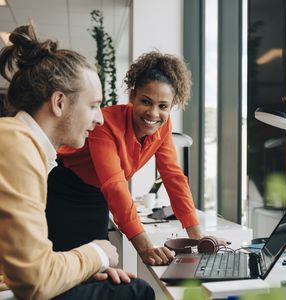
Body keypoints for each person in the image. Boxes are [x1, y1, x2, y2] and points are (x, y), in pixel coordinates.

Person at [0, 24, 154, 300]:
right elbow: (34, 281)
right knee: (136, 292)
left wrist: (80, 269)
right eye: (93, 105)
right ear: (59, 103)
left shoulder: (23, 143)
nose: (100, 119)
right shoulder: (17, 146)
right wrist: (97, 253)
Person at [46, 51, 218, 266]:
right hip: (64, 189)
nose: (153, 113)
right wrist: (145, 246)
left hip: (98, 196)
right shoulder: (106, 122)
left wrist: (196, 234)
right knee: (64, 264)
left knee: (99, 265)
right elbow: (115, 184)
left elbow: (173, 176)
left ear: (172, 105)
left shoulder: (163, 129)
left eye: (163, 106)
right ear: (133, 96)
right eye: (146, 101)